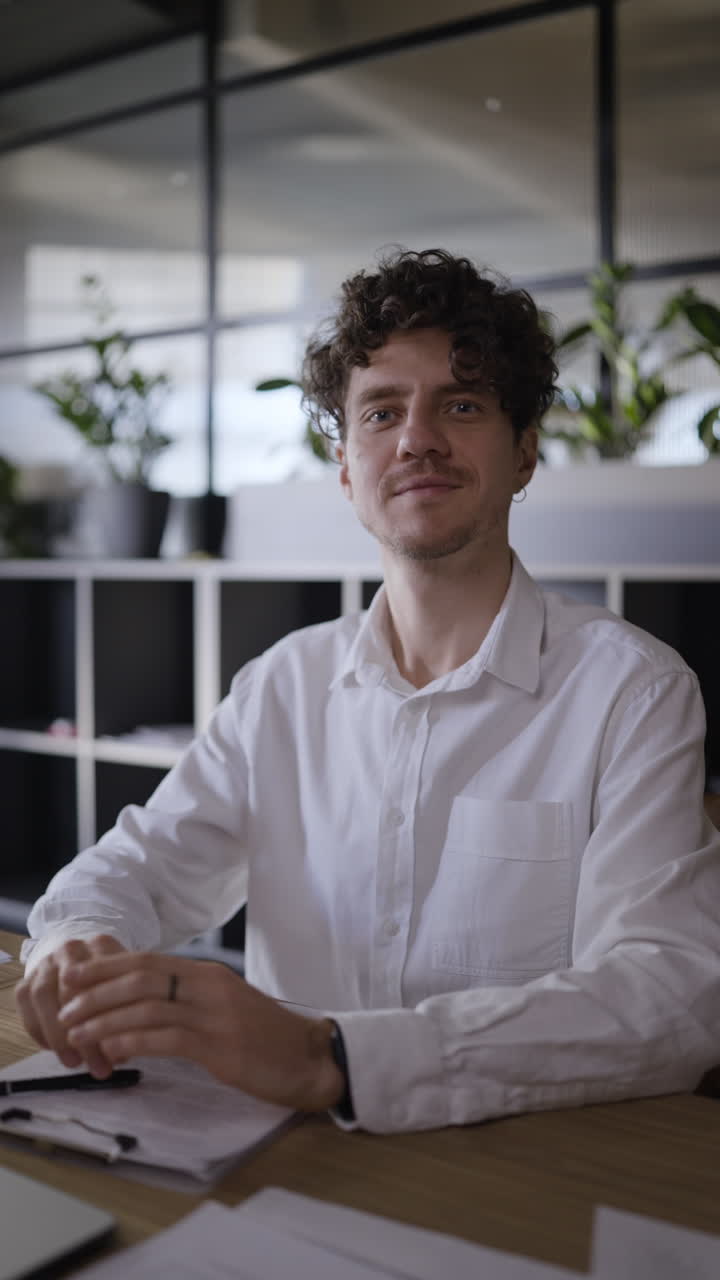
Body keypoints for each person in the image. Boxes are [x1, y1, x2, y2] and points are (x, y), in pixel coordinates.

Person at [16, 248, 720, 1133]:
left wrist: (332, 1057)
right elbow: (143, 866)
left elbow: (669, 997)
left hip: (518, 1176)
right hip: (278, 1162)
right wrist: (77, 941)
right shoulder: (281, 684)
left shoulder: (634, 692)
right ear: (347, 466)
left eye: (460, 406)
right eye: (382, 411)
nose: (417, 437)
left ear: (526, 455)